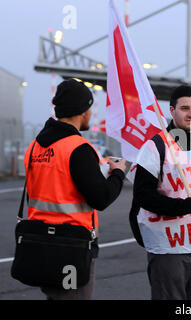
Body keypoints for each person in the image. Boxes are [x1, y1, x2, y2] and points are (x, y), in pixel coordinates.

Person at [23, 79, 126, 299]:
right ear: (83, 111)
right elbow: (101, 198)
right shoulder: (78, 148)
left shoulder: (34, 147)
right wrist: (118, 172)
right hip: (71, 245)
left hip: (39, 242)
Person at [129, 85, 191, 300]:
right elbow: (142, 195)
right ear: (172, 111)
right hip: (168, 248)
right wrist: (178, 208)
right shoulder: (155, 147)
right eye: (185, 108)